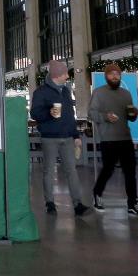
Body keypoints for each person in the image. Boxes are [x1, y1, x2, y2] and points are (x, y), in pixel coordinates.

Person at [31, 60, 90, 217]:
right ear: (58, 75)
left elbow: (70, 115)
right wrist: (48, 113)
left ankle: (77, 203)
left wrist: (75, 135)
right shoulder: (41, 92)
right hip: (49, 137)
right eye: (65, 73)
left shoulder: (65, 91)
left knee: (72, 170)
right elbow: (35, 114)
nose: (67, 76)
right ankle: (50, 203)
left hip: (67, 137)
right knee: (49, 170)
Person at [89, 63, 138, 218]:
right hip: (108, 139)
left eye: (117, 74)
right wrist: (105, 117)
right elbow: (92, 113)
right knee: (108, 169)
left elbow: (130, 115)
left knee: (130, 172)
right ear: (106, 76)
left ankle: (132, 204)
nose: (115, 76)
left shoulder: (126, 94)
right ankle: (97, 194)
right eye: (111, 74)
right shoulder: (98, 93)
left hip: (125, 137)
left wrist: (133, 114)